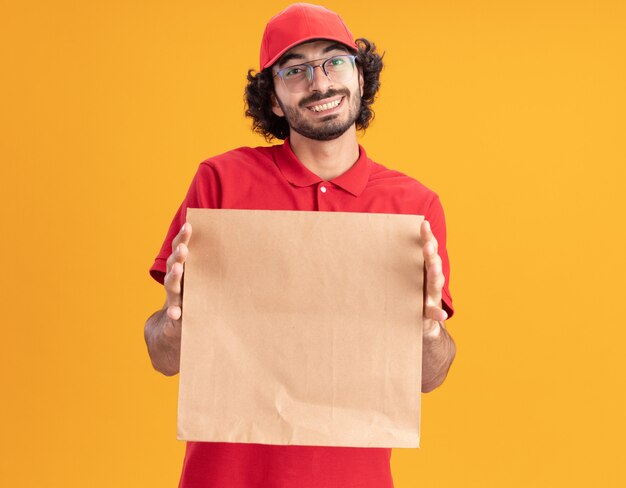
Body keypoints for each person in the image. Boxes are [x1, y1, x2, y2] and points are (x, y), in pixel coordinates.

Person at [144, 3, 456, 487]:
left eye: (335, 62)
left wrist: (430, 332)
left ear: (359, 77)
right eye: (296, 71)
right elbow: (163, 359)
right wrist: (176, 320)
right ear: (273, 99)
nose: (320, 82)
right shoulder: (220, 182)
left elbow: (427, 378)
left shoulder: (412, 207)